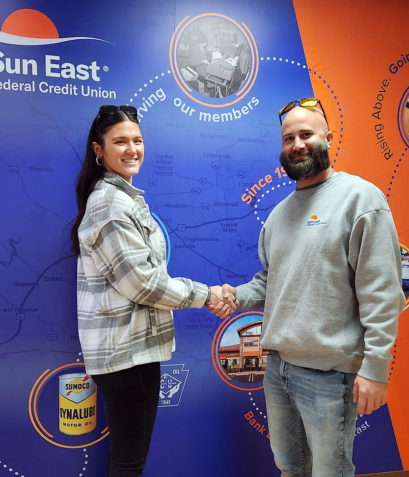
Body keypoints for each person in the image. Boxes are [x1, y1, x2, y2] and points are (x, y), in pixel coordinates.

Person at [209, 98, 406, 476]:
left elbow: (383, 292)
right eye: (288, 138)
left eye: (306, 134)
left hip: (330, 375)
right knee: (290, 468)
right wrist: (234, 296)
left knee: (329, 472)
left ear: (328, 138)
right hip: (278, 369)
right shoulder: (279, 214)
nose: (296, 144)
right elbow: (271, 281)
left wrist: (376, 369)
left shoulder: (361, 199)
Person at [70, 105, 237, 477]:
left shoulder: (122, 198)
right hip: (125, 355)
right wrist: (206, 295)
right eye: (120, 142)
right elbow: (143, 283)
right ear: (99, 150)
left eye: (137, 140)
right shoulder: (111, 204)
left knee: (129, 458)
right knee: (129, 462)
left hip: (134, 352)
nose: (132, 149)